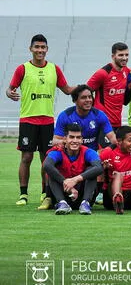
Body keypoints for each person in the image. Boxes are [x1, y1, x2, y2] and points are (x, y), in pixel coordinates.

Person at [7, 34, 75, 206]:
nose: (40, 50)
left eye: (42, 47)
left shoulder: (54, 69)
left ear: (47, 49)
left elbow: (67, 89)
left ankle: (46, 193)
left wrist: (88, 87)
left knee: (47, 159)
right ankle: (23, 194)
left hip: (47, 121)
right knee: (26, 157)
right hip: (28, 120)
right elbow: (10, 89)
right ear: (31, 49)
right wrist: (10, 93)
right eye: (36, 47)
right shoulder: (22, 69)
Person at [42, 123, 103, 215]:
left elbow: (99, 167)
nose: (75, 141)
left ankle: (85, 203)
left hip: (82, 193)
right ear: (65, 139)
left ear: (82, 140)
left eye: (78, 137)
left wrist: (75, 180)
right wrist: (66, 182)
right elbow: (46, 165)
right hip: (63, 192)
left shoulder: (88, 151)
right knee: (52, 171)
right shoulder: (58, 152)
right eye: (71, 137)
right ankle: (62, 204)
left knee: (92, 170)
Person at [87, 42, 129, 145]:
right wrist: (93, 110)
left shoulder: (125, 71)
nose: (124, 58)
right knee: (104, 154)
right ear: (113, 56)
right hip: (103, 122)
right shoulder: (103, 73)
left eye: (126, 55)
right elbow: (85, 91)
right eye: (121, 55)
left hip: (117, 122)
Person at [53, 85, 116, 150]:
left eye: (90, 97)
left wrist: (121, 143)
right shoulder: (65, 116)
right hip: (71, 153)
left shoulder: (99, 115)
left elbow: (112, 137)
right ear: (75, 100)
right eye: (83, 97)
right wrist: (68, 141)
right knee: (53, 154)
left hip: (92, 155)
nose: (88, 100)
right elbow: (55, 141)